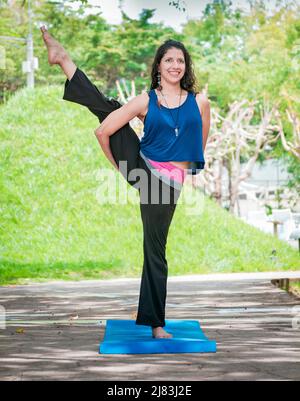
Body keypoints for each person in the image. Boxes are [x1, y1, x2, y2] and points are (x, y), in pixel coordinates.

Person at [40, 26, 210, 339]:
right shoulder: (146, 101)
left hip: (168, 181)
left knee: (154, 247)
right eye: (169, 60)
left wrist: (185, 172)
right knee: (109, 108)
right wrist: (123, 169)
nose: (175, 65)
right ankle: (156, 324)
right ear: (158, 65)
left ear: (186, 67)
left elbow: (199, 143)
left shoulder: (199, 103)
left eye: (181, 61)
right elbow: (102, 131)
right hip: (143, 169)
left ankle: (64, 60)